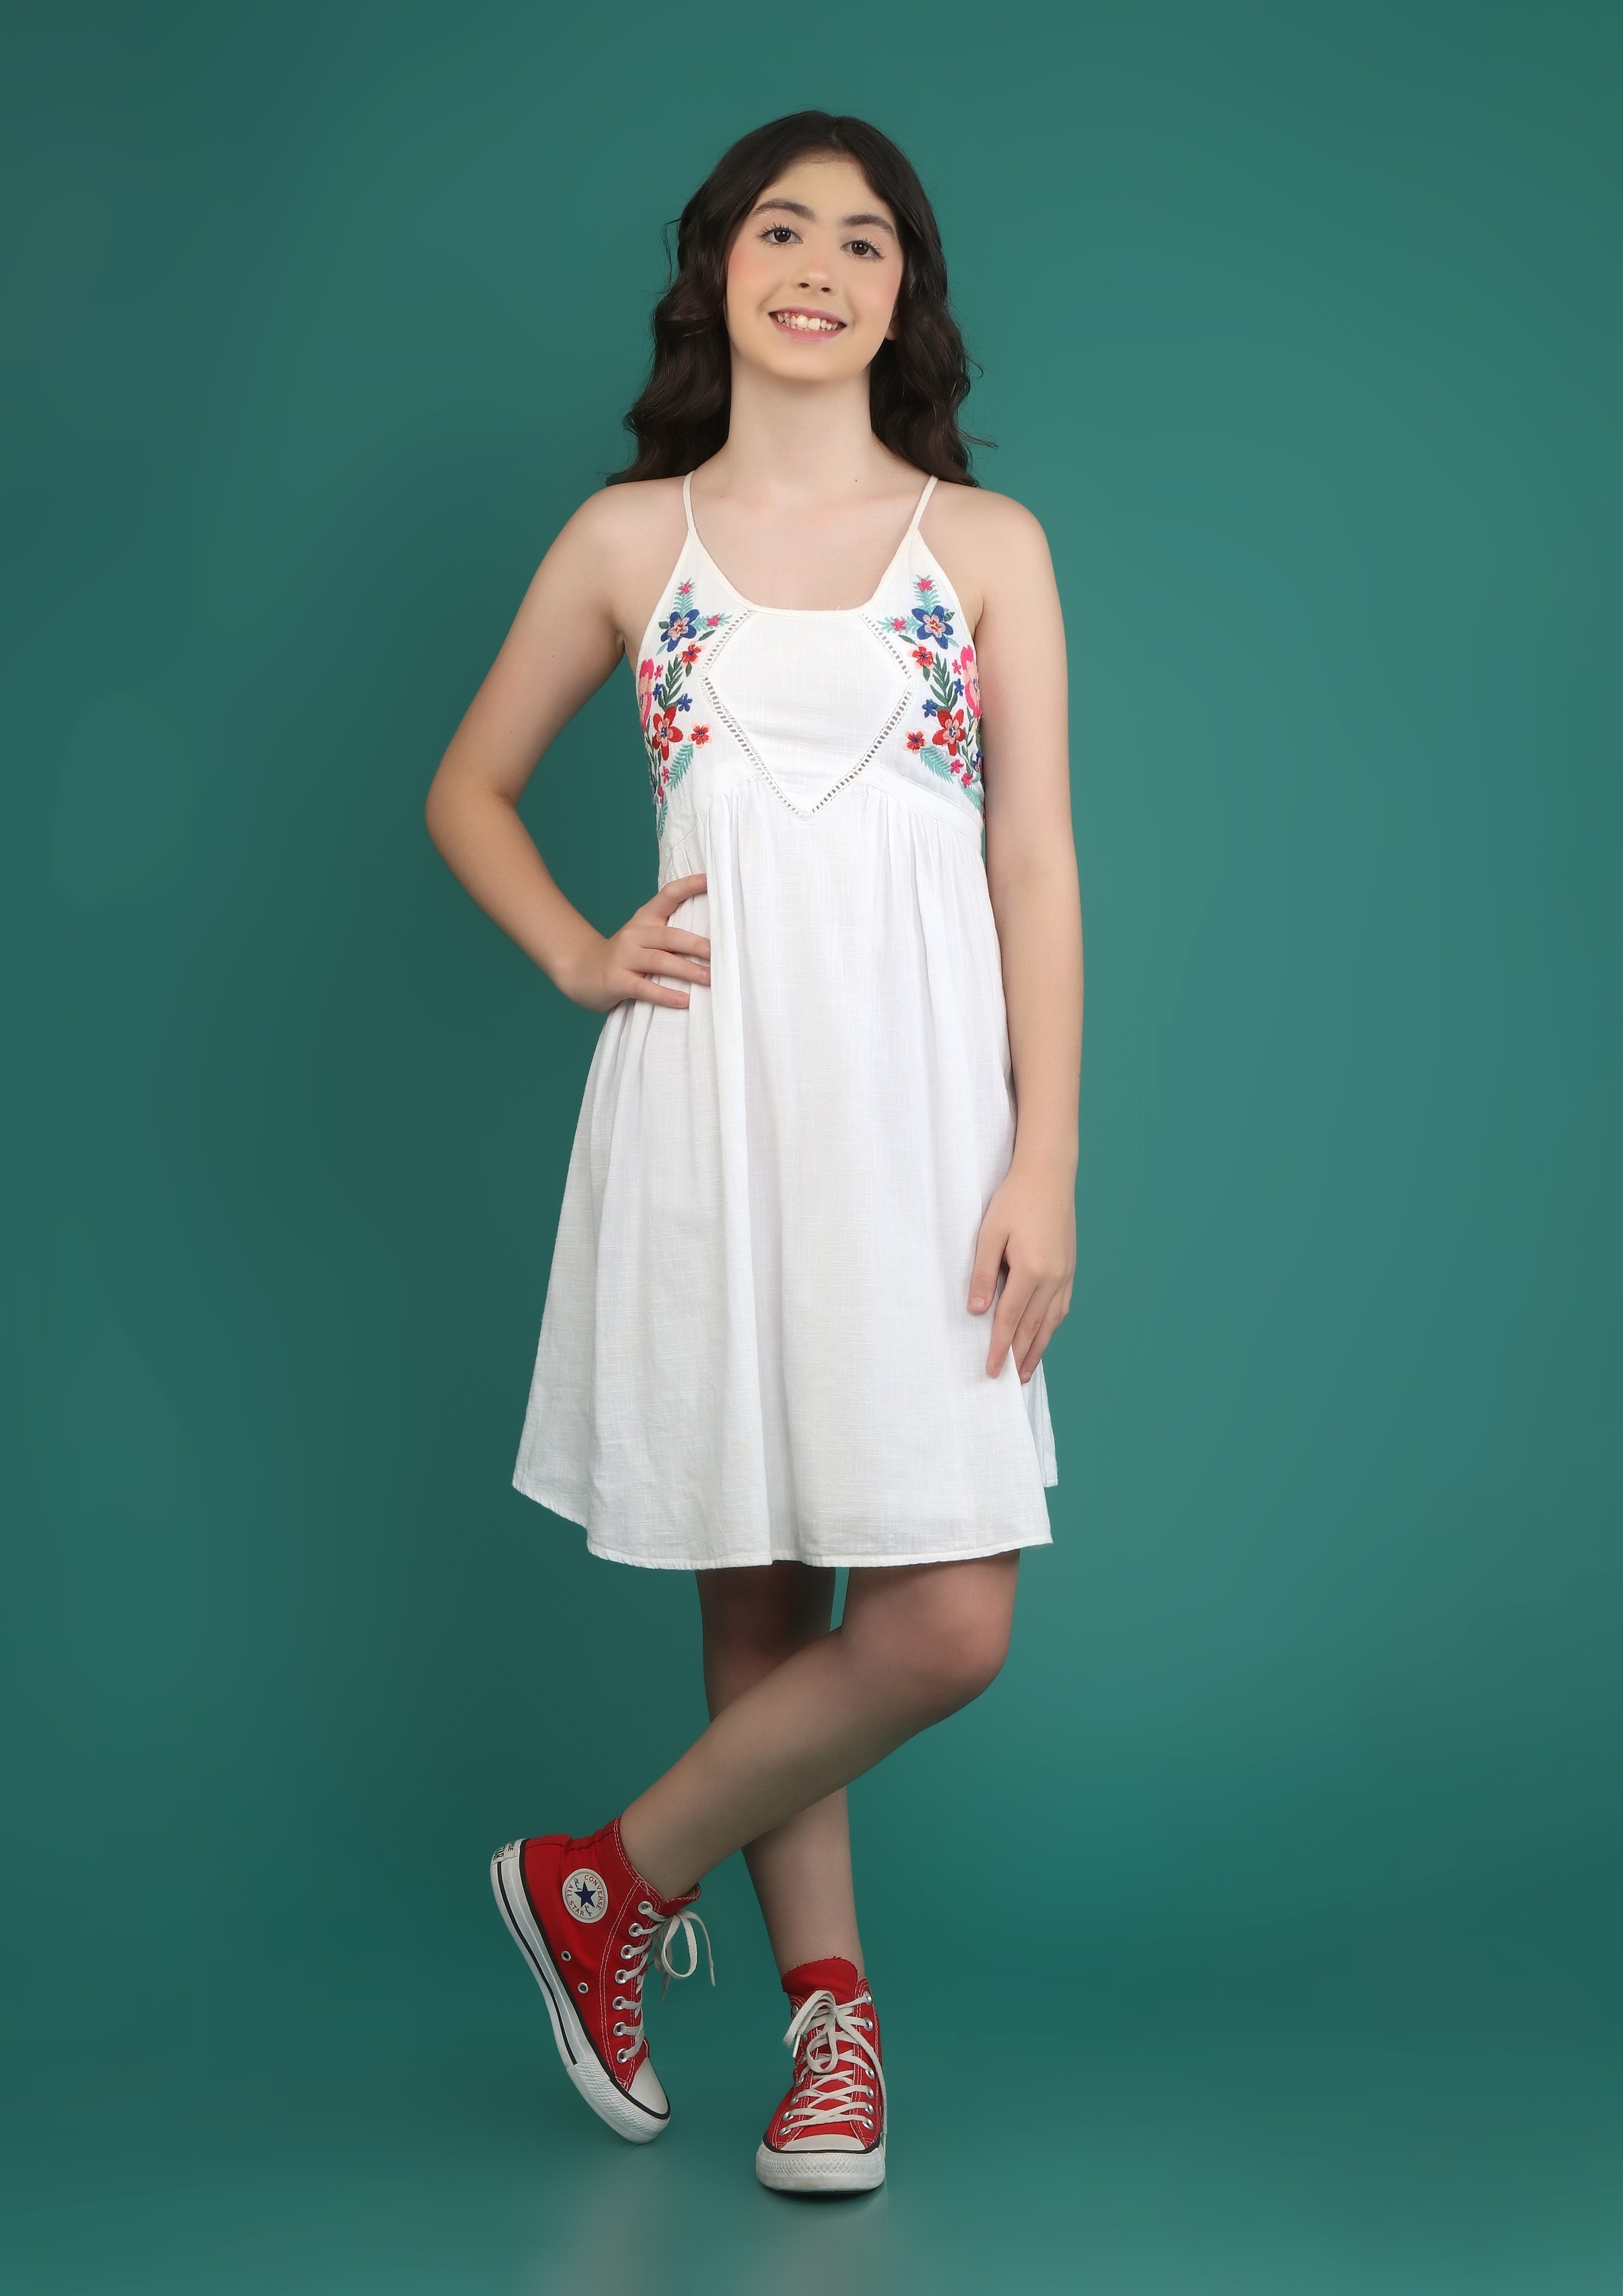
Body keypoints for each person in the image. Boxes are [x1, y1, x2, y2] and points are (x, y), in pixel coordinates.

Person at [425, 111, 1083, 2196]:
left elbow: (1035, 863)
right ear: (717, 268)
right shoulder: (631, 541)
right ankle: (828, 2037)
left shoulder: (988, 550)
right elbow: (465, 789)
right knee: (762, 1595)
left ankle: (605, 1884)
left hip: (927, 1125)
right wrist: (576, 952)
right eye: (779, 228)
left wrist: (1046, 1158)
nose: (817, 263)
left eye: (862, 239)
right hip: (707, 1108)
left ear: (906, 297)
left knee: (944, 1618)